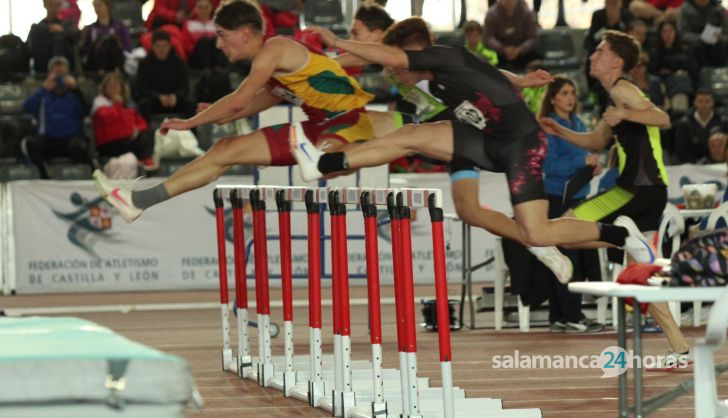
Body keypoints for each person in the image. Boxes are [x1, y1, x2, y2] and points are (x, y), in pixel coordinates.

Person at [295, 19, 657, 267]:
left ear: (418, 52)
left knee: (538, 231)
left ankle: (620, 235)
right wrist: (522, 81)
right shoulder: (437, 77)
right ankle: (324, 165)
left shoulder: (444, 56)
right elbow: (490, 73)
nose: (395, 74)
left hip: (520, 146)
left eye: (402, 64)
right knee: (409, 136)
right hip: (484, 140)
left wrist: (336, 40)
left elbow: (390, 56)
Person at [92, 0, 401, 223]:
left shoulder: (275, 49)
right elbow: (245, 106)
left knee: (327, 151)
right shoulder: (275, 68)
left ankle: (319, 160)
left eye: (222, 36)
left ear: (244, 32)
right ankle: (138, 201)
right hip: (316, 127)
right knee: (224, 148)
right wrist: (208, 115)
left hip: (349, 122)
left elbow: (239, 101)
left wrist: (190, 122)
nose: (218, 45)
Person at [539, 30, 691, 367]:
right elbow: (596, 140)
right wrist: (560, 131)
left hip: (637, 188)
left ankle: (625, 236)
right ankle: (680, 349)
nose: (591, 56)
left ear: (616, 61)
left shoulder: (625, 89)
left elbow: (662, 117)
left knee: (563, 227)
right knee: (642, 272)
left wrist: (627, 114)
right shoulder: (614, 97)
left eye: (599, 51)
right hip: (644, 190)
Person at [539, 76, 605, 333]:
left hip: (579, 197)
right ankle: (572, 315)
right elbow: (549, 166)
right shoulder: (548, 126)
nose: (570, 97)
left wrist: (594, 167)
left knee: (572, 255)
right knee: (568, 256)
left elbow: (584, 157)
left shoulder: (577, 122)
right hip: (557, 199)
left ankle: (559, 316)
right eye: (564, 93)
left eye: (572, 93)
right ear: (553, 97)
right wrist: (583, 163)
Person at [22, 56, 91, 179]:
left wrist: (76, 89)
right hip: (49, 140)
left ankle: (88, 179)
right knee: (29, 143)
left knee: (80, 146)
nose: (59, 77)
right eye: (56, 73)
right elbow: (26, 107)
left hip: (71, 140)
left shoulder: (74, 95)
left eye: (62, 73)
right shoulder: (43, 95)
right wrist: (44, 89)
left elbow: (86, 112)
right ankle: (44, 178)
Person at [92, 71, 155, 169]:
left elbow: (142, 123)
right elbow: (108, 120)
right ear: (105, 88)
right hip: (109, 143)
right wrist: (116, 104)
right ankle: (144, 163)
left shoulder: (127, 104)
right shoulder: (100, 104)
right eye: (110, 85)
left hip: (126, 140)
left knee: (148, 134)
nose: (114, 88)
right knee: (139, 144)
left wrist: (136, 129)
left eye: (116, 85)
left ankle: (147, 163)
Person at [135, 30, 193, 121]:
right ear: (153, 46)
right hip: (154, 101)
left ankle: (191, 132)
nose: (162, 50)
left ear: (170, 46)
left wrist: (175, 96)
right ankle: (145, 134)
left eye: (165, 46)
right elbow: (141, 88)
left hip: (174, 101)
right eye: (158, 46)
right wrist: (158, 97)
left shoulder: (178, 62)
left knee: (190, 103)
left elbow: (185, 87)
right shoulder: (144, 63)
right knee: (143, 104)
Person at [482, 0, 540, 72]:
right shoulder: (492, 14)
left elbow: (533, 38)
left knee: (536, 60)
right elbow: (487, 37)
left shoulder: (527, 13)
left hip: (523, 54)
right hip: (499, 54)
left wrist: (520, 50)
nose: (509, 1)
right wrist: (503, 49)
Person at [674, 89, 728, 163]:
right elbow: (682, 151)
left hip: (719, 163)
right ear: (695, 102)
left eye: (707, 101)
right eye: (700, 101)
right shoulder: (685, 123)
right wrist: (698, 163)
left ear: (712, 102)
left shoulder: (722, 120)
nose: (704, 105)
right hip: (694, 165)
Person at [79, 0, 133, 74]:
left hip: (116, 56)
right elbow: (84, 50)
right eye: (95, 6)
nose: (97, 8)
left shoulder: (120, 26)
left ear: (107, 7)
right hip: (96, 61)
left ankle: (117, 71)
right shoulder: (90, 28)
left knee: (112, 44)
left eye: (99, 5)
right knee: (102, 44)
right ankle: (101, 72)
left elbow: (127, 46)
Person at [27, 0, 79, 74]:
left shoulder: (68, 27)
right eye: (51, 5)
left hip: (66, 75)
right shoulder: (37, 29)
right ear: (45, 4)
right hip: (42, 74)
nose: (54, 9)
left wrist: (62, 33)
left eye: (57, 5)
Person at [679, 0, 728, 68]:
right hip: (695, 45)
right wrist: (700, 38)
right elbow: (683, 34)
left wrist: (721, 38)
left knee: (721, 47)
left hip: (717, 46)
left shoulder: (718, 9)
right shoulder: (686, 9)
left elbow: (726, 32)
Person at [182, 0, 227, 69]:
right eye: (200, 8)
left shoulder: (217, 25)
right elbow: (187, 46)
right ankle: (208, 70)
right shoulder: (189, 24)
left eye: (206, 7)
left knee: (216, 40)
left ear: (211, 8)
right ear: (196, 9)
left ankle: (218, 70)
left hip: (215, 56)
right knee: (204, 40)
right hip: (196, 58)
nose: (203, 11)